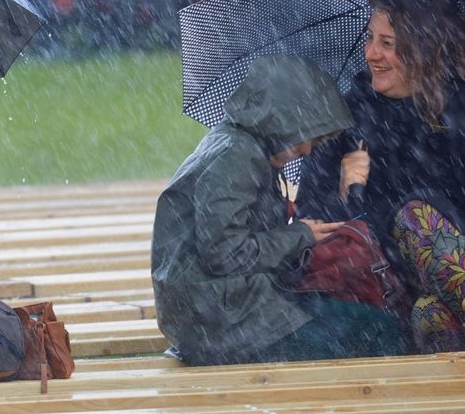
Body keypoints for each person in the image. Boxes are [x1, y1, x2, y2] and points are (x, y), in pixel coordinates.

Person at [152, 54, 406, 365]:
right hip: (224, 323)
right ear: (283, 121)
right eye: (308, 138)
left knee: (370, 323)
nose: (308, 149)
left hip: (225, 309)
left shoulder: (244, 147)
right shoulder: (236, 158)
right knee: (379, 332)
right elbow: (225, 254)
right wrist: (299, 235)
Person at [298, 0, 465, 352]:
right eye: (371, 39)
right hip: (389, 288)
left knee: (430, 298)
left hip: (451, 279)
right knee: (426, 309)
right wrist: (345, 191)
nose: (371, 53)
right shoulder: (346, 120)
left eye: (387, 43)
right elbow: (310, 222)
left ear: (423, 49)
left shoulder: (459, 111)